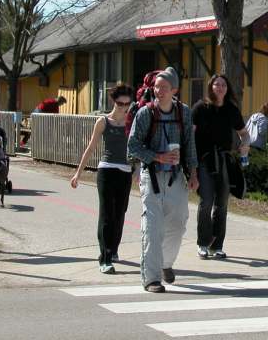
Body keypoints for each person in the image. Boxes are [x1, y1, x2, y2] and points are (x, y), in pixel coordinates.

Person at [128, 67, 198, 293]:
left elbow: (190, 143)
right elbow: (133, 146)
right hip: (152, 177)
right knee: (153, 227)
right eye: (156, 87)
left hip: (176, 177)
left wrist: (194, 173)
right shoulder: (145, 113)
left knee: (178, 224)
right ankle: (151, 278)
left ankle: (166, 264)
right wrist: (157, 156)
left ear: (174, 89)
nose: (158, 91)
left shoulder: (183, 112)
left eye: (164, 87)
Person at [70, 83, 135, 275]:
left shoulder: (132, 122)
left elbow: (137, 148)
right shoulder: (103, 122)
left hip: (125, 171)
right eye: (120, 103)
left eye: (127, 104)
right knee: (107, 213)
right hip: (106, 170)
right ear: (113, 101)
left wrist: (138, 170)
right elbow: (90, 148)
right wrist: (77, 174)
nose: (124, 107)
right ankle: (105, 257)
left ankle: (113, 249)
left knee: (120, 212)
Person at [192, 74, 250, 260]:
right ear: (211, 86)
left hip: (224, 159)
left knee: (222, 203)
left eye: (223, 84)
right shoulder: (200, 108)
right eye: (216, 84)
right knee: (206, 201)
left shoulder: (231, 109)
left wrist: (245, 145)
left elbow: (244, 133)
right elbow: (189, 134)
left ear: (227, 88)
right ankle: (203, 243)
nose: (220, 87)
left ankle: (216, 246)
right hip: (204, 160)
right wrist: (190, 162)